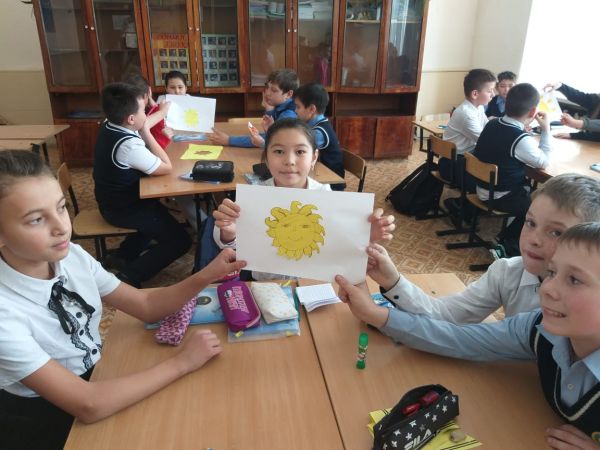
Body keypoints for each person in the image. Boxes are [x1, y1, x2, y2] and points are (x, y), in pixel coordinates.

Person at [0, 150, 247, 450]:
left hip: (96, 376)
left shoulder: (71, 257)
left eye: (61, 207)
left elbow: (145, 306)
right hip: (45, 419)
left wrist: (207, 275)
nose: (61, 227)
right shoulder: (5, 312)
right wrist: (183, 363)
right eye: (36, 219)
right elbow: (88, 404)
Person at [337, 222, 600, 448]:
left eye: (575, 280)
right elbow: (456, 338)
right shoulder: (536, 327)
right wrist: (375, 314)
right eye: (552, 273)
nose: (548, 289)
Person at [363, 173, 600, 324]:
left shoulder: (588, 304)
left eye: (556, 232)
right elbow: (448, 315)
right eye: (530, 223)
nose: (534, 239)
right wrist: (393, 281)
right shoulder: (508, 272)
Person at [212, 118, 395, 281]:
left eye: (300, 151)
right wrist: (229, 232)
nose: (289, 161)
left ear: (314, 157)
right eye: (278, 151)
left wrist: (365, 236)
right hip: (267, 283)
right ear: (266, 157)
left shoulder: (327, 197)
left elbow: (339, 245)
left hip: (315, 284)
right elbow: (230, 244)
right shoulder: (254, 197)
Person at [93, 82, 191, 288]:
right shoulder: (129, 145)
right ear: (131, 119)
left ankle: (122, 256)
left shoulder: (111, 122)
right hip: (123, 209)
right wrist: (146, 131)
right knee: (181, 240)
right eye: (143, 111)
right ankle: (130, 276)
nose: (146, 115)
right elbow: (166, 167)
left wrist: (160, 112)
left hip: (112, 201)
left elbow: (143, 121)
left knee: (158, 217)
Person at [473, 82, 553, 256]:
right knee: (539, 208)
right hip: (499, 196)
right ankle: (507, 243)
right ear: (533, 111)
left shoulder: (492, 124)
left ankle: (506, 238)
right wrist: (546, 130)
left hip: (482, 188)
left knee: (531, 194)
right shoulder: (520, 138)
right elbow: (543, 162)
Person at [208, 69, 299, 148]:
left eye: (274, 90)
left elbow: (269, 141)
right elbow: (269, 135)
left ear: (288, 94)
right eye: (267, 87)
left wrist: (229, 140)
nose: (267, 93)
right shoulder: (280, 107)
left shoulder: (289, 115)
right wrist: (269, 109)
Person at [442, 68, 496, 189]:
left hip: (465, 158)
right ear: (475, 94)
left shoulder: (478, 107)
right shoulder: (466, 114)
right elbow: (484, 140)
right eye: (489, 91)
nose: (493, 94)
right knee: (490, 181)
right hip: (453, 163)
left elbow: (487, 128)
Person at [293, 82, 345, 190]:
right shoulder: (312, 124)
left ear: (312, 109)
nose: (295, 110)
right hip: (319, 175)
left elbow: (295, 147)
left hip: (331, 185)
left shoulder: (319, 132)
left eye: (298, 107)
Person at [125, 73, 173, 150]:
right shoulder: (157, 111)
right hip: (154, 151)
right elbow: (144, 126)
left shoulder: (123, 112)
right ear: (149, 91)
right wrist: (161, 112)